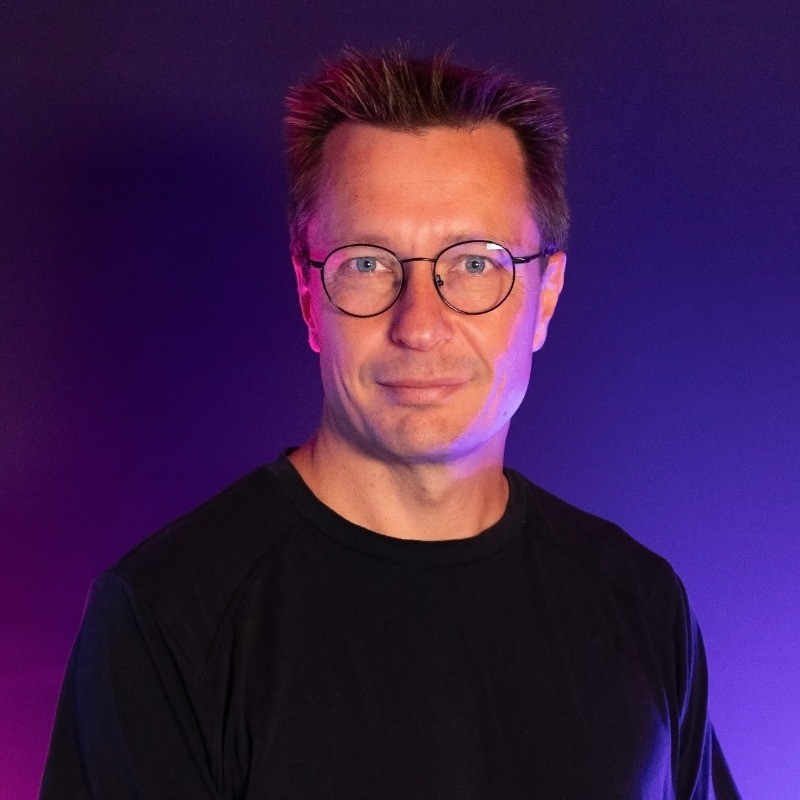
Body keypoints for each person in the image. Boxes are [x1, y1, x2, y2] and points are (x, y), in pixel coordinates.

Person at [40, 48, 741, 799]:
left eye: (475, 263)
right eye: (368, 263)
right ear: (309, 296)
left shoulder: (639, 602)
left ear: (545, 296)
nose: (420, 326)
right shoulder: (170, 614)